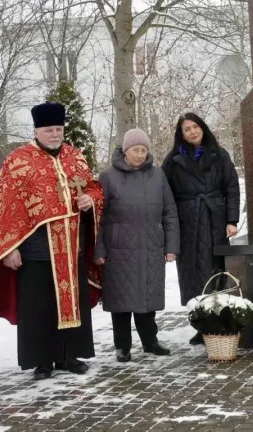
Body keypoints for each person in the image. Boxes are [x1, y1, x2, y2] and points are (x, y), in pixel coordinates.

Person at [0, 102, 103, 381]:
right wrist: (11, 247)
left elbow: (93, 186)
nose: (55, 134)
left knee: (72, 303)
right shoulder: (18, 161)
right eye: (49, 129)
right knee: (39, 308)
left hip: (71, 247)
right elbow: (3, 207)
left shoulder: (75, 157)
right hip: (36, 251)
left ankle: (69, 354)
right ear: (37, 130)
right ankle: (42, 360)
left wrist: (91, 198)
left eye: (58, 129)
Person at [95, 129, 180, 362]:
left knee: (147, 297)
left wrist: (171, 246)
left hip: (151, 245)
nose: (140, 155)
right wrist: (99, 249)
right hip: (118, 248)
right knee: (120, 302)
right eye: (135, 150)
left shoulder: (157, 175)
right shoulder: (108, 177)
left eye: (144, 150)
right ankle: (122, 346)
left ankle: (150, 342)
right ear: (125, 151)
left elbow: (169, 212)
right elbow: (98, 218)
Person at [162, 113, 240, 345]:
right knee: (192, 275)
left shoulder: (218, 154)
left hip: (215, 220)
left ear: (203, 128)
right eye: (187, 129)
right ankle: (200, 325)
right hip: (188, 223)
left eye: (196, 127)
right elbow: (166, 195)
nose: (193, 132)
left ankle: (220, 322)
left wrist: (232, 220)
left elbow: (232, 188)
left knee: (216, 271)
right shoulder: (173, 159)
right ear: (181, 134)